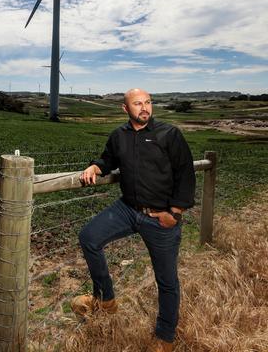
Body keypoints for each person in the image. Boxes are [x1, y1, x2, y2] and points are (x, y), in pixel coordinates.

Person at [73, 88, 195, 352]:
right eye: (138, 103)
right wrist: (95, 167)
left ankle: (165, 338)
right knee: (89, 238)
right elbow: (108, 160)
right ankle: (105, 300)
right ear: (125, 109)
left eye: (148, 102)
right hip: (128, 209)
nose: (145, 108)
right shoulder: (119, 135)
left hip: (161, 217)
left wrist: (174, 214)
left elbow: (186, 174)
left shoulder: (169, 134)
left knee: (166, 280)